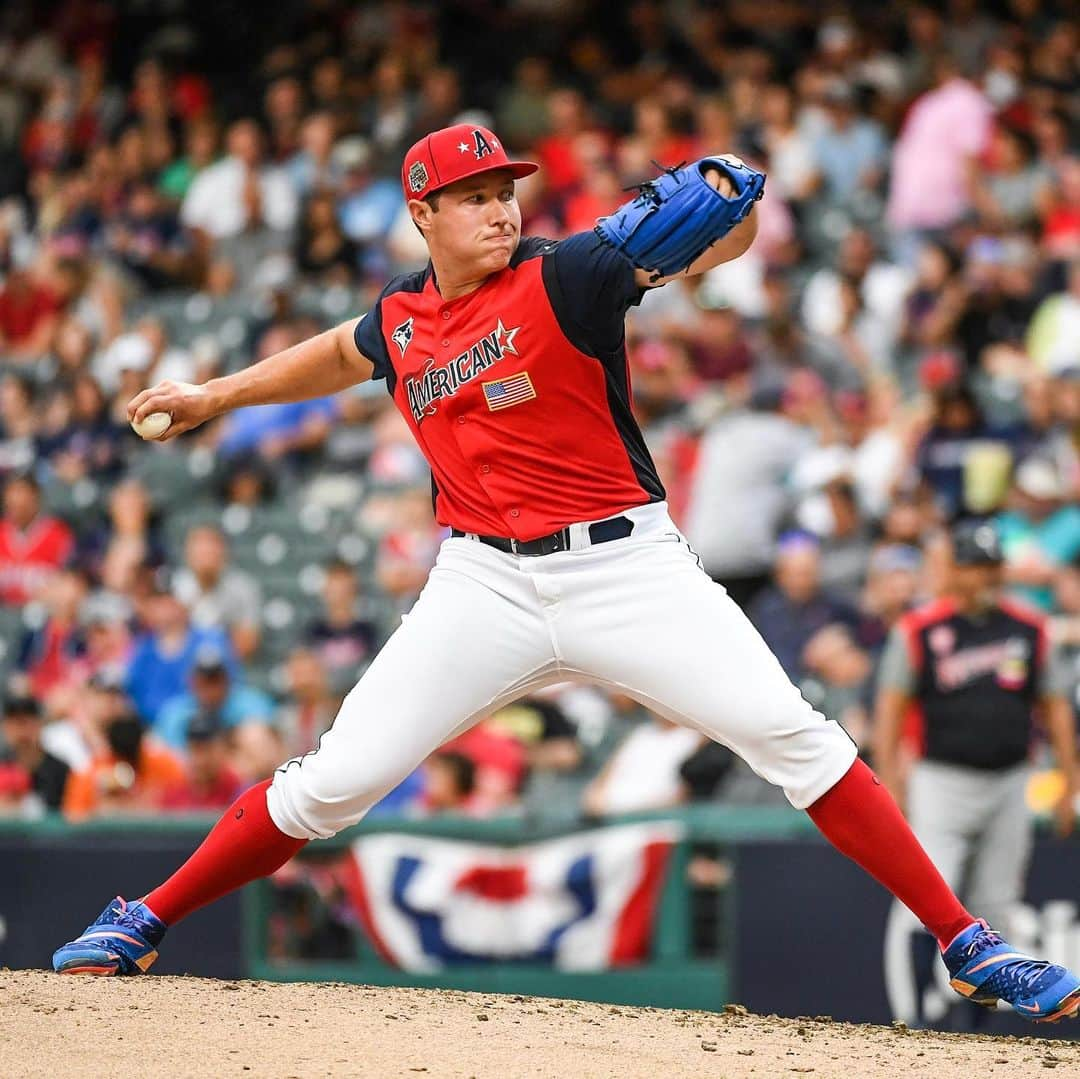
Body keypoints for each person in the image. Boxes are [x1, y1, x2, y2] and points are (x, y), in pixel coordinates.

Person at [53, 122, 1080, 1024]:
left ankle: (966, 941)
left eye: (507, 191)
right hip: (480, 585)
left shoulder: (570, 274)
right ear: (423, 213)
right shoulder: (405, 318)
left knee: (793, 735)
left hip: (626, 566)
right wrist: (216, 394)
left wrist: (736, 209)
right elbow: (344, 350)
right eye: (474, 196)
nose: (500, 209)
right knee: (334, 779)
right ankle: (142, 918)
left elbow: (726, 242)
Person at [874, 520, 1078, 1021]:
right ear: (955, 571)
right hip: (940, 780)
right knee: (925, 897)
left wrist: (1069, 783)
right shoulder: (921, 628)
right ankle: (914, 1018)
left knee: (998, 905)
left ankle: (976, 1032)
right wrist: (891, 782)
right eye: (975, 566)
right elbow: (890, 710)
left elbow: (1053, 708)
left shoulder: (1028, 627)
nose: (986, 576)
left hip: (1011, 779)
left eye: (992, 566)